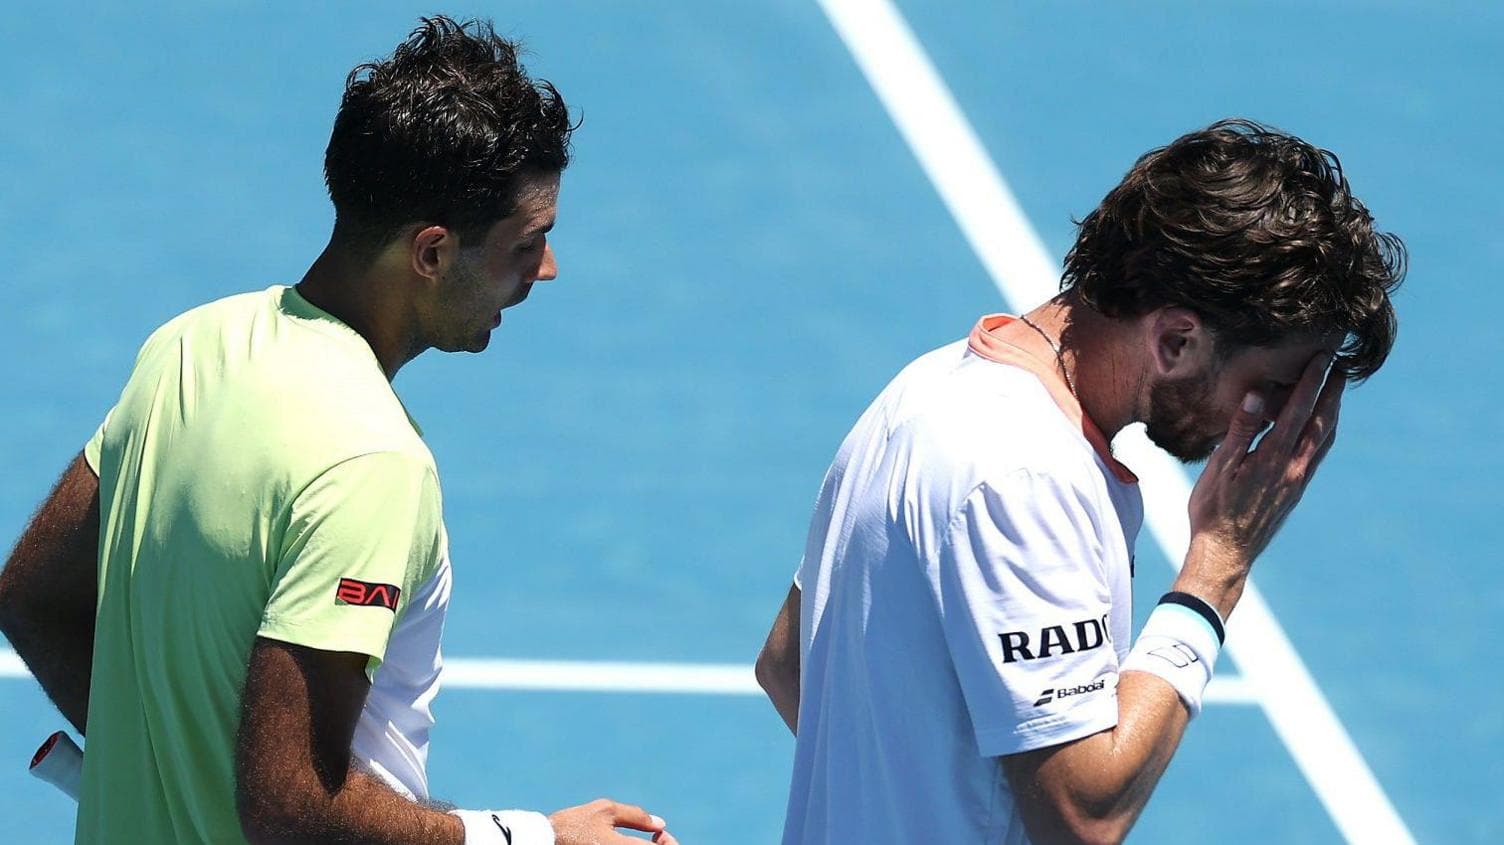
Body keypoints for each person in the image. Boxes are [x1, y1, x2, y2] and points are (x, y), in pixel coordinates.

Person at [0, 16, 677, 845]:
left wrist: (172, 767)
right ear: (430, 252)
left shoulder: (189, 345)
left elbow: (30, 594)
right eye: (524, 244)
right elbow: (293, 803)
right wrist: (532, 837)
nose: (545, 270)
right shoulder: (370, 461)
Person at [756, 119, 1405, 845]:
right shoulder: (1027, 477)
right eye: (1276, 385)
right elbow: (1084, 815)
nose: (1273, 423)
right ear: (1176, 341)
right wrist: (1218, 563)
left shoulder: (923, 389)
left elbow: (789, 662)